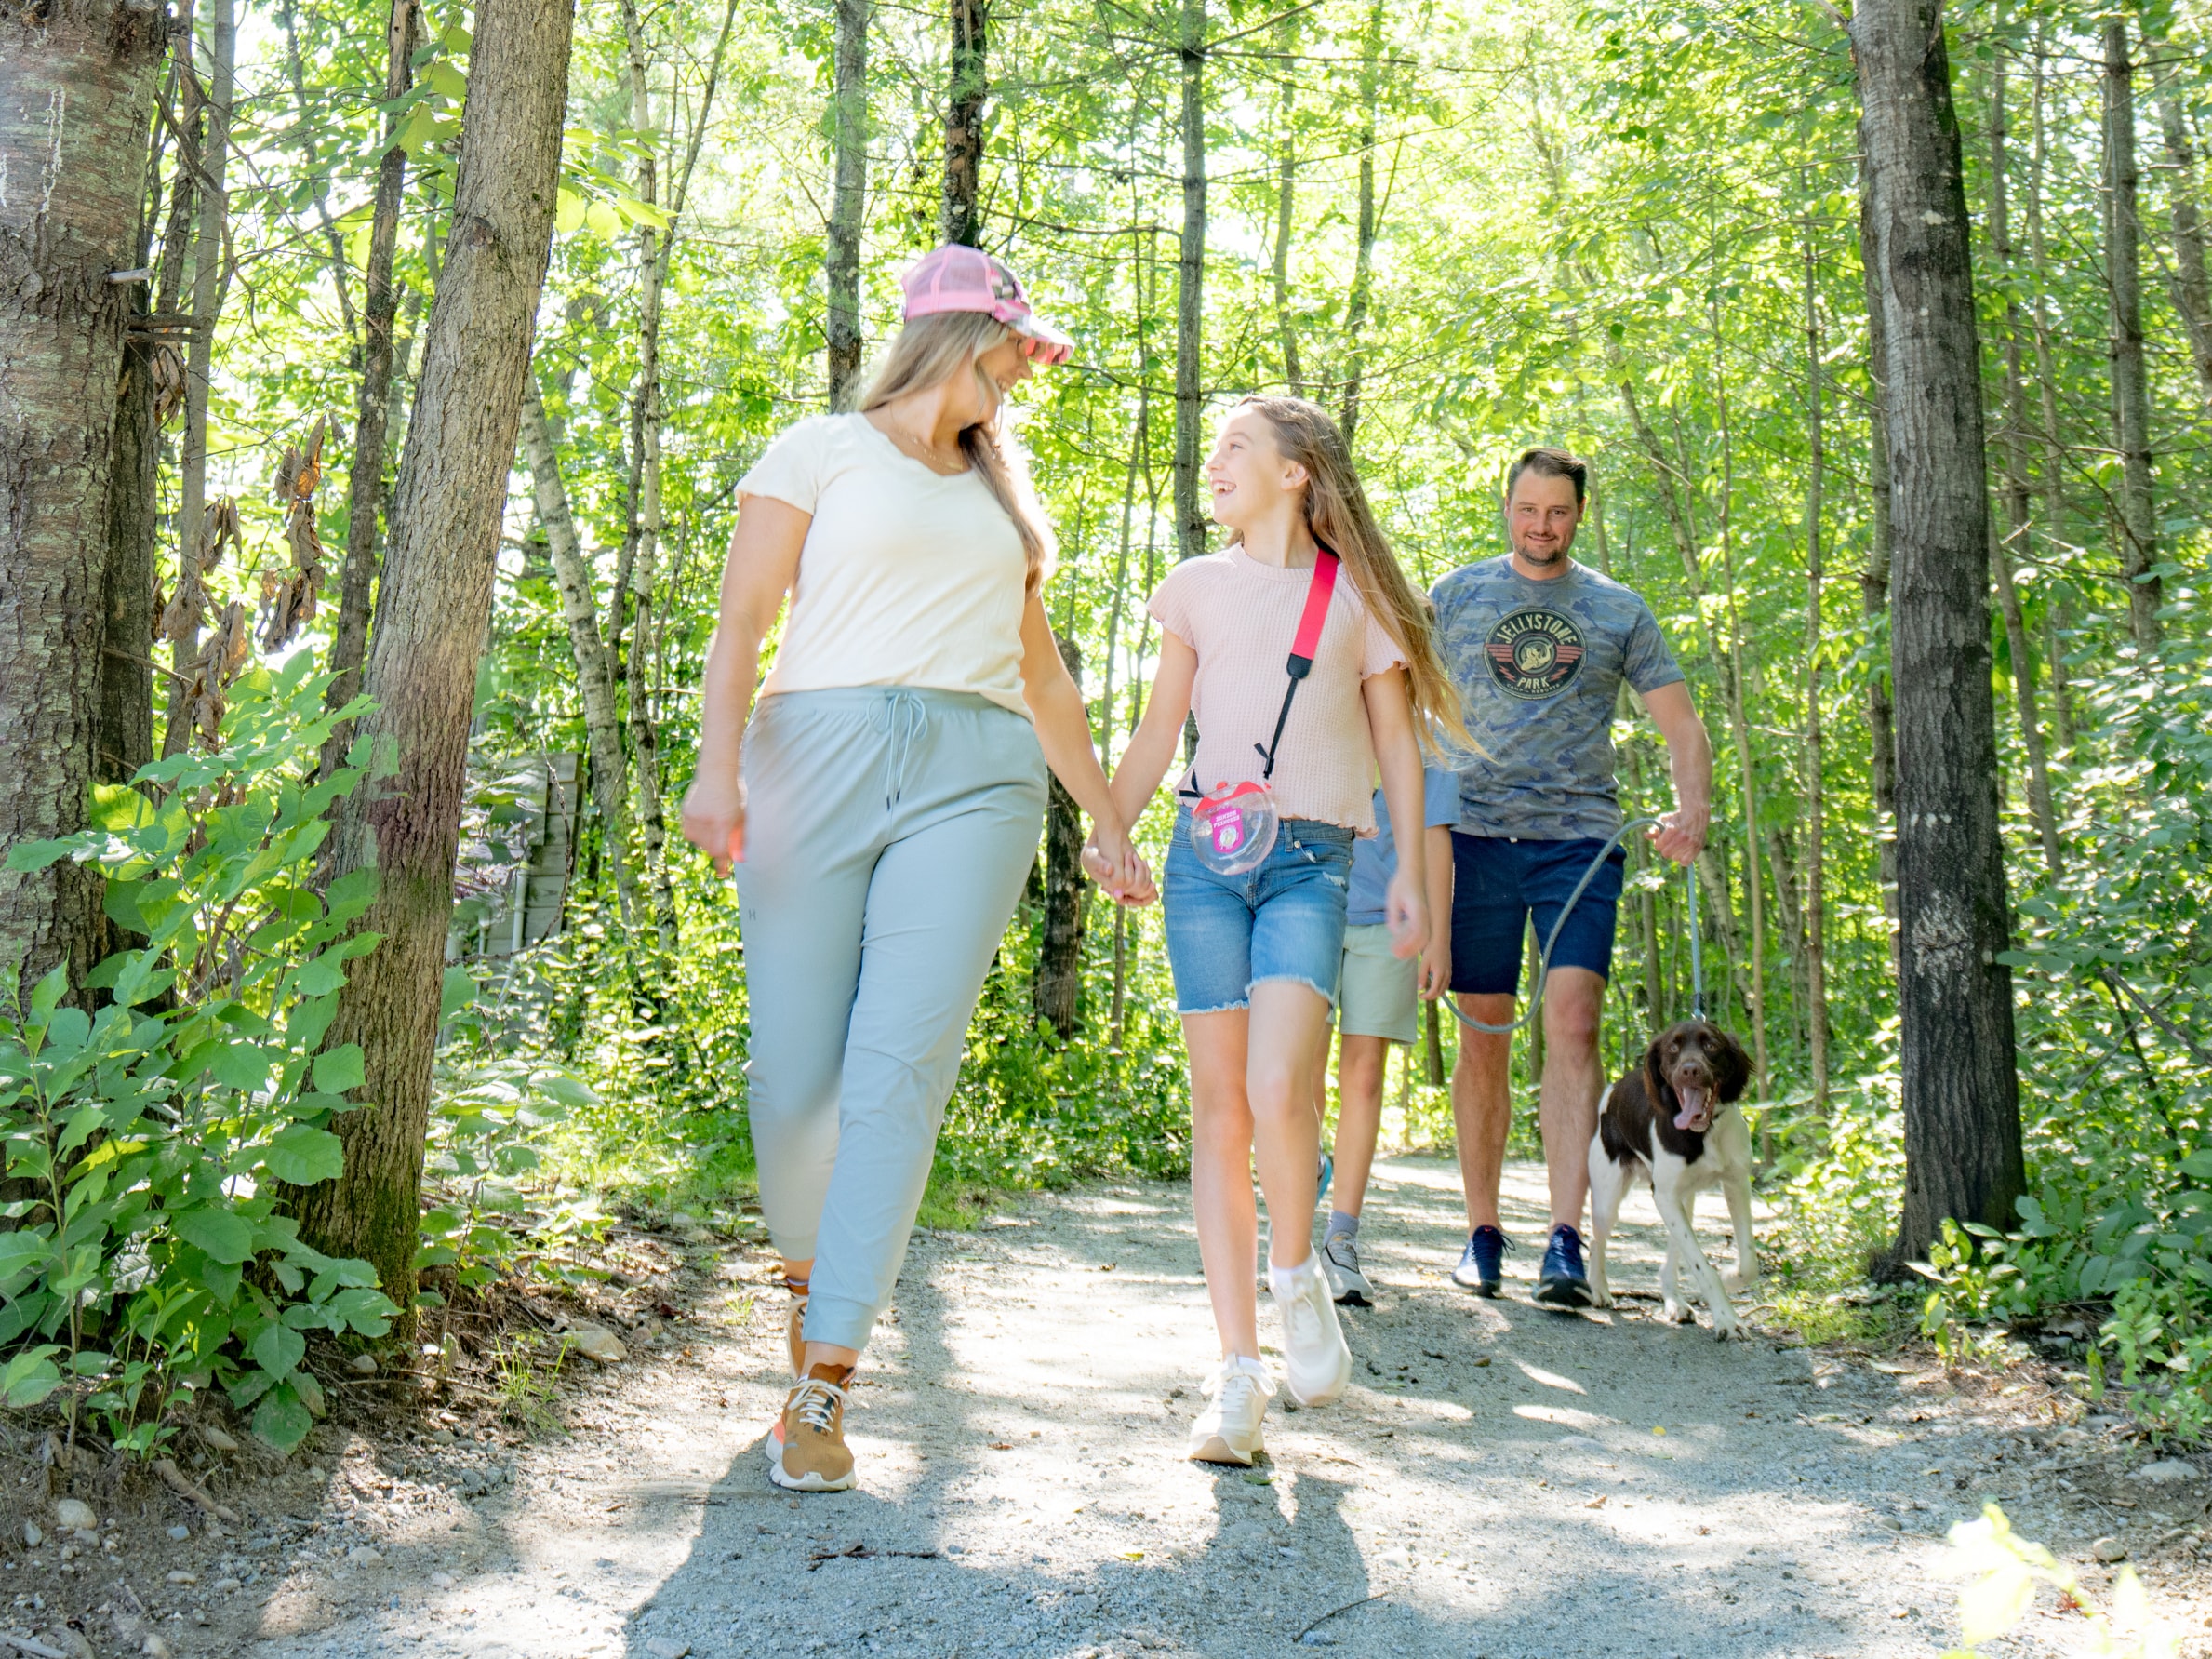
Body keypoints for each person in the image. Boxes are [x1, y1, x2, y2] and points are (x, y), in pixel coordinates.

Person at [680, 246, 1152, 1494]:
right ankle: (806, 1284)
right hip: (809, 755)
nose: (1021, 373)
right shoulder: (818, 450)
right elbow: (742, 623)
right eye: (1013, 350)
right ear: (959, 339)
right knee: (793, 1072)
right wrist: (713, 769)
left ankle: (823, 1376)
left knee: (897, 1067)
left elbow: (1043, 677)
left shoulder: (999, 494)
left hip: (977, 773)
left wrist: (1105, 816)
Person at [1107, 395, 1460, 1465]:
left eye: (1234, 448)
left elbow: (1400, 748)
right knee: (1216, 1108)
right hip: (1203, 862)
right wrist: (1107, 828)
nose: (1213, 463)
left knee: (1277, 1090)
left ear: (1297, 471)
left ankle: (1296, 1273)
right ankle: (1234, 1375)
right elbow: (1160, 726)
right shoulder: (1195, 590)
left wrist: (1409, 878)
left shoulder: (1353, 597)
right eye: (1214, 447)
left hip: (1313, 860)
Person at [1432, 446, 1712, 1307]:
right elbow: (1389, 697)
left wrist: (1689, 811)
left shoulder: (1617, 609)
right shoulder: (1454, 596)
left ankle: (1564, 1237)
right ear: (1506, 507)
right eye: (1527, 509)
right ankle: (1483, 1234)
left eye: (1556, 512)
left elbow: (1683, 724)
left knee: (1574, 1020)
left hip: (1578, 843)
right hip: (1472, 839)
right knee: (1483, 1030)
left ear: (1578, 516)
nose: (1540, 525)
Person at [1313, 760, 1459, 1307]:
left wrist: (1437, 940)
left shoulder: (1424, 730)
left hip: (1387, 924)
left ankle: (1340, 1239)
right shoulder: (1321, 694)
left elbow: (1436, 838)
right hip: (1310, 904)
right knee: (1303, 1075)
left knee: (1365, 1075)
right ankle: (1303, 1185)